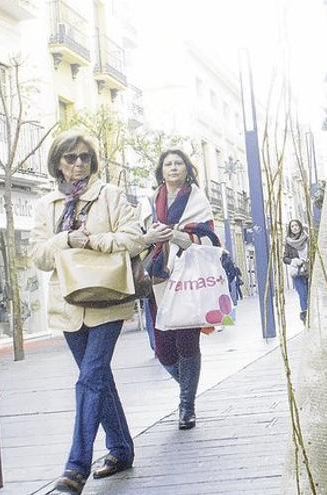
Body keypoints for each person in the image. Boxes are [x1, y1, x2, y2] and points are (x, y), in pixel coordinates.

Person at [30, 130, 143, 495]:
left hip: (108, 299)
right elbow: (38, 256)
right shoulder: (46, 206)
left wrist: (97, 240)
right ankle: (121, 449)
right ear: (57, 163)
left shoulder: (109, 195)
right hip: (68, 304)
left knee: (89, 378)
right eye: (70, 157)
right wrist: (65, 239)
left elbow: (134, 237)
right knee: (97, 379)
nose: (78, 164)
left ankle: (75, 467)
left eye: (84, 157)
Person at [141, 148, 215, 431]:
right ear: (161, 170)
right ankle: (188, 391)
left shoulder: (197, 199)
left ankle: (186, 407)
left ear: (186, 169)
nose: (173, 167)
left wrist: (177, 235)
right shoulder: (148, 202)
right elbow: (139, 239)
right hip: (158, 281)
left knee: (187, 343)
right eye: (168, 163)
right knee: (164, 351)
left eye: (178, 163)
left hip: (188, 279)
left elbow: (208, 238)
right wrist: (151, 236)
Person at [283, 219, 309, 323]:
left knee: (310, 294)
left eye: (296, 225)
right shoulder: (288, 243)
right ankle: (305, 317)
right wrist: (293, 261)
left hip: (308, 270)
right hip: (297, 272)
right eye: (292, 226)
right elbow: (285, 258)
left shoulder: (307, 239)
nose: (294, 228)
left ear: (300, 226)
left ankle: (311, 314)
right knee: (302, 295)